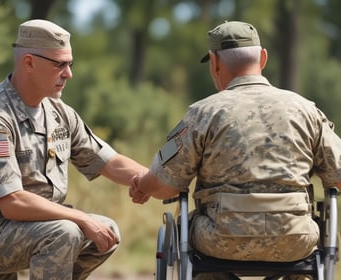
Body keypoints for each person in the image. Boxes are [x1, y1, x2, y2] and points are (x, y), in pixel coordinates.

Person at [129, 21, 341, 280]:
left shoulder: (203, 114)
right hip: (294, 240)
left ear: (214, 63)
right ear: (262, 58)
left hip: (220, 240)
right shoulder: (306, 110)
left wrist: (142, 184)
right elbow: (338, 178)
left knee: (187, 228)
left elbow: (167, 185)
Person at [0, 19, 149, 280]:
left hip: (31, 224)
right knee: (66, 232)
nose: (68, 74)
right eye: (59, 64)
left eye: (70, 64)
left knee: (107, 231)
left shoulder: (58, 112)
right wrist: (80, 218)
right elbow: (12, 203)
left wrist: (155, 179)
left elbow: (107, 161)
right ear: (29, 63)